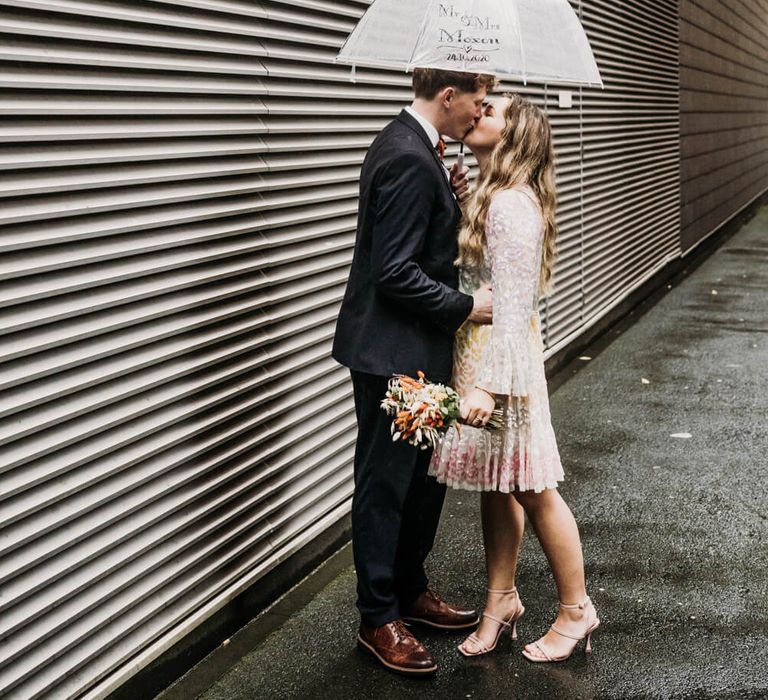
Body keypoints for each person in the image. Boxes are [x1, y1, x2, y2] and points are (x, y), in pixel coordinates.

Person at [332, 68, 498, 675]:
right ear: (447, 96)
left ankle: (409, 593)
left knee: (422, 481)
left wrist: (447, 199)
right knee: (387, 484)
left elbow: (412, 244)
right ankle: (379, 618)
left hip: (414, 352)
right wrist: (467, 307)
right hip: (395, 355)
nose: (478, 118)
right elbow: (395, 272)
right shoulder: (406, 156)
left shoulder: (417, 151)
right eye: (475, 106)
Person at [429, 94, 600, 663]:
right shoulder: (490, 198)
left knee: (533, 487)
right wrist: (459, 200)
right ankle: (501, 600)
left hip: (503, 368)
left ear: (513, 139)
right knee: (498, 483)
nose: (477, 112)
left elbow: (513, 303)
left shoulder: (511, 207)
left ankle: (577, 609)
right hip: (483, 359)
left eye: (492, 112)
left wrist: (490, 386)